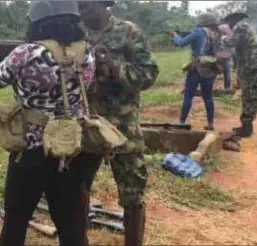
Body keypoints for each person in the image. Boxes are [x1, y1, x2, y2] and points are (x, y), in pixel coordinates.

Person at [0, 1, 99, 245]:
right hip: (71, 148)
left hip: (31, 151)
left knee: (16, 221)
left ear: (39, 21)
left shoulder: (26, 53)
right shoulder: (86, 52)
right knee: (72, 225)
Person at [77, 1, 159, 245]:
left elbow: (149, 74)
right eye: (78, 7)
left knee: (132, 191)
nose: (82, 13)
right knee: (77, 186)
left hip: (123, 126)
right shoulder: (77, 34)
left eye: (86, 6)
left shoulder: (128, 32)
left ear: (103, 5)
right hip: (88, 124)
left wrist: (113, 66)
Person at [169, 13, 221, 131]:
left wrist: (174, 35)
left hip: (196, 69)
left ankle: (182, 122)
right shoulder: (217, 33)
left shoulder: (198, 32)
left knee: (188, 96)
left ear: (202, 22)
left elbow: (181, 43)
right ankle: (210, 123)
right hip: (211, 67)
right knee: (208, 97)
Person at [219, 12, 257, 138]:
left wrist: (222, 37)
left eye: (228, 22)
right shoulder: (246, 26)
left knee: (249, 95)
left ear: (233, 20)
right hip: (254, 65)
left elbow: (231, 43)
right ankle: (247, 126)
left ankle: (246, 128)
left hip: (251, 66)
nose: (227, 25)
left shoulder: (240, 27)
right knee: (253, 95)